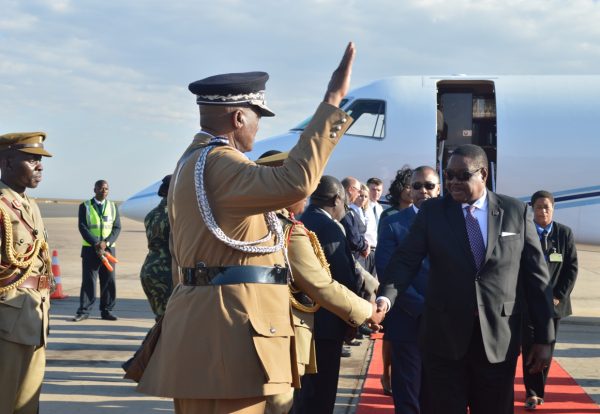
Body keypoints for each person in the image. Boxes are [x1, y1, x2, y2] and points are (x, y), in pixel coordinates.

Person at [137, 43, 360, 414]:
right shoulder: (220, 162)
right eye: (258, 116)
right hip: (231, 339)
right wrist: (332, 102)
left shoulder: (192, 161)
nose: (259, 126)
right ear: (239, 117)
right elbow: (297, 181)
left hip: (209, 330)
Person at [376, 144, 555, 414]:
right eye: (448, 176)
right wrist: (385, 298)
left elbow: (537, 279)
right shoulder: (433, 212)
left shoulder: (516, 212)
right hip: (443, 339)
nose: (453, 182)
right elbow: (405, 260)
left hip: (498, 340)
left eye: (462, 175)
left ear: (483, 174)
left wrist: (544, 339)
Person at [256, 152, 383, 414]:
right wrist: (363, 313)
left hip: (268, 329)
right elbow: (324, 282)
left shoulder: (253, 221)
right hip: (307, 325)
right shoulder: (290, 228)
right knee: (311, 398)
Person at [293, 175, 371, 414]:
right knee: (322, 394)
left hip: (302, 322)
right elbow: (343, 277)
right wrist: (354, 318)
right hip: (328, 323)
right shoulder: (329, 227)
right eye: (345, 206)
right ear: (337, 199)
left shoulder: (301, 220)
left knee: (303, 393)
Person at [376, 166, 440, 413]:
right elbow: (388, 272)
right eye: (417, 186)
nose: (423, 190)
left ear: (438, 189)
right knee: (408, 393)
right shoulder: (393, 224)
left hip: (444, 322)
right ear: (409, 190)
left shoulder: (453, 220)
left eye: (429, 186)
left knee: (437, 393)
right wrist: (424, 308)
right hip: (407, 320)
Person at [0, 132, 53, 414]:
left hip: (34, 316)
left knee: (27, 405)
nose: (40, 166)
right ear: (7, 162)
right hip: (6, 320)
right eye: (32, 160)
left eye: (40, 160)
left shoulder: (29, 204)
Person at [522, 190, 578, 410]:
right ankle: (532, 393)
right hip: (527, 303)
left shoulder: (564, 233)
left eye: (547, 207)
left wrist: (558, 296)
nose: (543, 211)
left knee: (546, 348)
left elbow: (571, 268)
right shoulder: (524, 233)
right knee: (528, 347)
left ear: (553, 209)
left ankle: (539, 390)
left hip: (554, 304)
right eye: (538, 207)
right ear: (531, 209)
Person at [73, 180, 121, 322]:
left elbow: (117, 227)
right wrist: (96, 243)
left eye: (106, 188)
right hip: (90, 249)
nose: (103, 190)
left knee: (109, 280)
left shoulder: (113, 206)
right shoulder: (85, 206)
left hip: (109, 250)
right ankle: (84, 311)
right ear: (94, 189)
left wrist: (106, 243)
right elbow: (83, 227)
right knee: (89, 281)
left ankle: (107, 311)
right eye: (100, 188)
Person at [140, 175, 173, 320]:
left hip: (149, 269)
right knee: (169, 321)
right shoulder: (175, 214)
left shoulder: (151, 214)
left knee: (161, 319)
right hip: (166, 273)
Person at [364, 177, 383, 249]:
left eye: (379, 190)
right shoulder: (362, 207)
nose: (376, 192)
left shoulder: (380, 208)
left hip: (377, 248)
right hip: (364, 249)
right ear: (367, 190)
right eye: (373, 189)